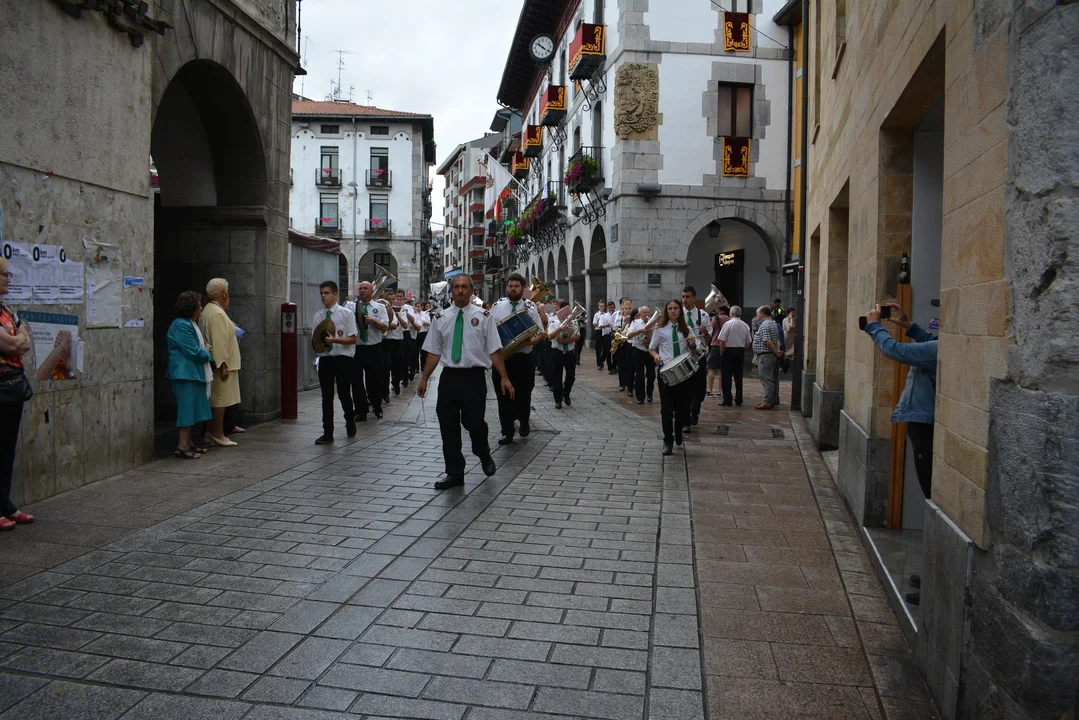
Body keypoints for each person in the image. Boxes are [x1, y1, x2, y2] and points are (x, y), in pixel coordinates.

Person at [417, 274, 514, 490]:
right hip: (449, 378)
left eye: (464, 287)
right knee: (448, 426)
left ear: (471, 291)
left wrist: (504, 377)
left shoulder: (484, 317)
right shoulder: (440, 317)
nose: (460, 291)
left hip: (474, 377)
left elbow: (494, 349)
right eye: (456, 287)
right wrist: (424, 379)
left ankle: (483, 452)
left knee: (474, 422)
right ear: (451, 291)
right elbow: (433, 352)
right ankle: (455, 472)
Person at [490, 274, 546, 444]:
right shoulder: (497, 307)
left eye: (516, 286)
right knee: (503, 396)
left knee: (524, 393)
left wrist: (530, 341)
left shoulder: (530, 307)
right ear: (507, 288)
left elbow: (540, 333)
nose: (513, 289)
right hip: (504, 359)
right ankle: (507, 431)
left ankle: (524, 421)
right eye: (510, 286)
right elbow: (490, 331)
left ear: (523, 289)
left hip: (524, 358)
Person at [0, 259, 34, 530]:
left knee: (7, 449)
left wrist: (18, 340)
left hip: (12, 387)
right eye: (4, 274)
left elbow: (25, 338)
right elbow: (12, 344)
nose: (8, 278)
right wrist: (18, 340)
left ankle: (6, 505)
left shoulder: (6, 309)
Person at [166, 291, 214, 459]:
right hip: (185, 374)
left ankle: (189, 442)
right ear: (191, 308)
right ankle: (182, 445)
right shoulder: (182, 325)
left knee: (192, 409)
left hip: (191, 373)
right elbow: (193, 352)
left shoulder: (188, 323)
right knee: (186, 410)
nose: (201, 308)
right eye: (199, 305)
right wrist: (207, 351)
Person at [649, 299, 697, 456]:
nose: (673, 311)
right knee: (667, 409)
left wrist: (692, 344)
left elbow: (694, 351)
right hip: (666, 372)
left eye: (676, 308)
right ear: (666, 311)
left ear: (680, 311)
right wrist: (656, 356)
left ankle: (678, 430)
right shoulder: (660, 329)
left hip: (684, 373)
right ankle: (667, 440)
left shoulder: (687, 329)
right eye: (670, 308)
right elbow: (651, 348)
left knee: (683, 408)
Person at [313, 281, 359, 445]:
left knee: (344, 393)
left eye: (326, 293)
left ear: (335, 294)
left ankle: (350, 422)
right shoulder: (318, 316)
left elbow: (353, 339)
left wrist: (335, 340)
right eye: (321, 293)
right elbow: (315, 340)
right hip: (326, 359)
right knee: (326, 396)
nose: (323, 296)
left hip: (343, 358)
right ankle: (327, 432)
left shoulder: (346, 314)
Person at [200, 278, 242, 446]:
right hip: (222, 365)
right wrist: (223, 364)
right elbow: (219, 341)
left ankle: (211, 432)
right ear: (224, 294)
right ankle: (217, 433)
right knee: (220, 401)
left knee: (216, 399)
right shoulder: (216, 312)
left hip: (218, 363)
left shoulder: (210, 310)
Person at [353, 281, 389, 419]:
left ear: (372, 291)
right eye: (360, 288)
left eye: (365, 288)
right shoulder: (352, 306)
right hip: (356, 348)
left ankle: (377, 406)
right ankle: (361, 410)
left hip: (374, 348)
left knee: (374, 379)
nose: (362, 290)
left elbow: (385, 327)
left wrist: (373, 321)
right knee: (356, 380)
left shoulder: (380, 307)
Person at [681, 286, 711, 430]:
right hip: (684, 355)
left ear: (694, 298)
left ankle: (695, 408)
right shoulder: (678, 314)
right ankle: (686, 419)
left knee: (700, 389)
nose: (684, 300)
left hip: (699, 355)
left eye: (687, 297)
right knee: (685, 388)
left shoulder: (703, 315)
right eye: (683, 297)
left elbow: (710, 339)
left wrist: (705, 333)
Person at [716, 306, 752, 407]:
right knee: (738, 376)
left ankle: (727, 400)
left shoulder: (728, 324)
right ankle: (739, 399)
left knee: (726, 377)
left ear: (731, 314)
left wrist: (721, 353)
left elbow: (722, 341)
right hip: (739, 351)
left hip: (728, 351)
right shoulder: (745, 325)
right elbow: (748, 342)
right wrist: (743, 350)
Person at [548, 299, 580, 409]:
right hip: (557, 353)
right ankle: (558, 400)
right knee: (556, 377)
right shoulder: (554, 322)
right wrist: (559, 329)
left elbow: (577, 336)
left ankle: (566, 394)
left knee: (571, 377)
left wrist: (565, 340)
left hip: (570, 353)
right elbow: (549, 337)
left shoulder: (573, 322)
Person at [752, 305, 783, 409]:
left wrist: (776, 352)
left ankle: (767, 402)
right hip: (771, 355)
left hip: (765, 355)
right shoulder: (773, 323)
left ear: (762, 313)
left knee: (766, 379)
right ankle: (774, 399)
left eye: (758, 314)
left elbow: (767, 341)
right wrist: (776, 351)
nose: (757, 316)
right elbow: (776, 340)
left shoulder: (765, 325)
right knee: (773, 378)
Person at [626, 306, 655, 404]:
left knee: (651, 375)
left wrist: (651, 340)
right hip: (638, 350)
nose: (646, 315)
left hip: (650, 351)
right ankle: (640, 397)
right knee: (639, 375)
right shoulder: (635, 323)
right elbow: (629, 335)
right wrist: (640, 331)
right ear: (640, 314)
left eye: (648, 312)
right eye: (644, 313)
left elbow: (657, 335)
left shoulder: (653, 323)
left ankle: (650, 394)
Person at [706, 305, 731, 396]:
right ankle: (720, 391)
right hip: (726, 345)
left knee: (711, 368)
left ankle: (710, 390)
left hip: (715, 345)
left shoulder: (715, 318)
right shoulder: (729, 319)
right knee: (722, 369)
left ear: (718, 309)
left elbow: (710, 330)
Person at [615, 298, 635, 395]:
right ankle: (622, 383)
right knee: (621, 364)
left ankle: (630, 383)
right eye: (625, 308)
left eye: (629, 308)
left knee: (630, 364)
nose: (627, 310)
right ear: (622, 309)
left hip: (630, 343)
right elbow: (615, 331)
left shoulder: (634, 320)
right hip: (621, 343)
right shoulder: (619, 319)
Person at [592, 299, 608, 370]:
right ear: (598, 307)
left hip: (604, 331)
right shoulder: (596, 314)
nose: (602, 307)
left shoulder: (606, 314)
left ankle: (601, 360)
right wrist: (599, 324)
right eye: (600, 306)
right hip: (598, 331)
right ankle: (599, 364)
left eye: (603, 306)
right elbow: (594, 323)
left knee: (605, 347)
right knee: (598, 348)